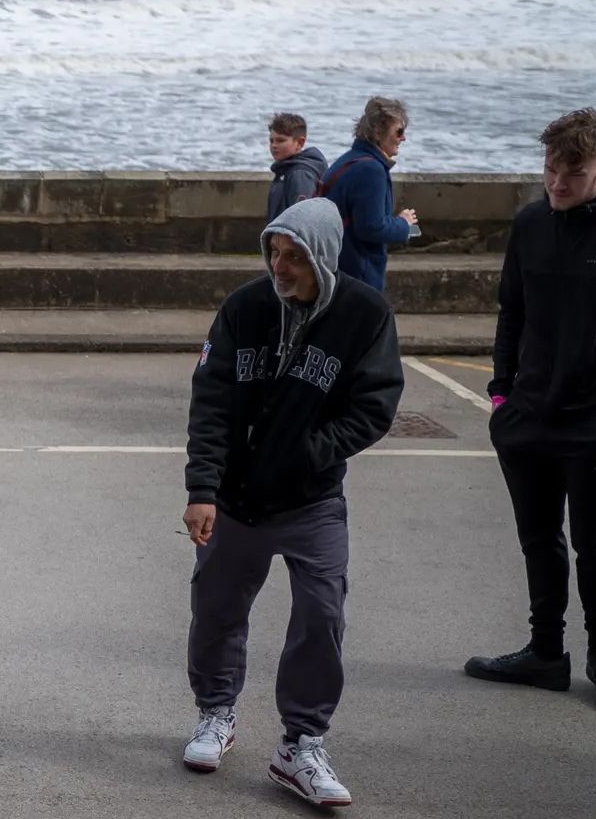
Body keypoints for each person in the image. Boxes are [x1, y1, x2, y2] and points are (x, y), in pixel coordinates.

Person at [181, 197, 403, 808]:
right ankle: (215, 714)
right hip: (237, 501)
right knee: (218, 609)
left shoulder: (365, 314)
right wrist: (202, 489)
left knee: (320, 616)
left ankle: (301, 745)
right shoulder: (244, 309)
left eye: (294, 257)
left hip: (313, 501)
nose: (280, 267)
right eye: (274, 253)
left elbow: (376, 406)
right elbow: (212, 403)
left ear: (323, 257)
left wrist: (311, 451)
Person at [464, 108, 596, 715]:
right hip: (526, 414)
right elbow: (512, 312)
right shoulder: (530, 224)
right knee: (538, 539)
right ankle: (545, 653)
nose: (556, 183)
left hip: (594, 420)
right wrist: (501, 393)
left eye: (572, 172)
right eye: (550, 169)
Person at [318, 97, 419, 290]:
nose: (403, 138)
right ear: (378, 131)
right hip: (358, 274)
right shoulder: (370, 170)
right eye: (399, 132)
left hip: (338, 268)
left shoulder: (350, 161)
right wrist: (404, 224)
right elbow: (371, 228)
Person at [265, 112, 324, 224]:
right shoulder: (285, 171)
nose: (274, 145)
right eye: (271, 140)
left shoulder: (300, 174)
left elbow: (304, 220)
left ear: (300, 143)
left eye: (280, 140)